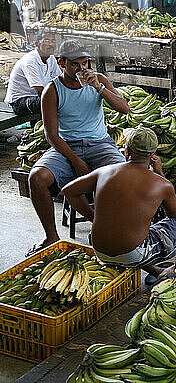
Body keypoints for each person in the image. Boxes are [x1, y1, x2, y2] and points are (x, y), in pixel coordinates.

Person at [27, 39, 130, 255]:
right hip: (65, 147)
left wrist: (99, 88)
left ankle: (104, 226)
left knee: (123, 175)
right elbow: (52, 135)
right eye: (75, 64)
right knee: (36, 178)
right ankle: (51, 237)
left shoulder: (98, 80)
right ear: (61, 63)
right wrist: (76, 161)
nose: (82, 69)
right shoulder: (52, 91)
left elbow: (124, 109)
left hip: (99, 143)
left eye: (85, 63)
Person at [62, 127, 176, 280]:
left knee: (136, 233)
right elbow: (175, 213)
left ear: (127, 151)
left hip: (98, 247)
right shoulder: (161, 183)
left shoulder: (104, 171)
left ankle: (157, 271)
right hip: (132, 254)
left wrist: (93, 218)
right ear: (153, 155)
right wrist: (160, 173)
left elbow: (69, 191)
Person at [4, 30, 60, 118]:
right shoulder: (30, 61)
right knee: (54, 102)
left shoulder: (51, 58)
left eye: (53, 41)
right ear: (36, 44)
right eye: (46, 41)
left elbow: (59, 82)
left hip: (37, 98)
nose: (51, 44)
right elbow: (40, 91)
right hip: (19, 102)